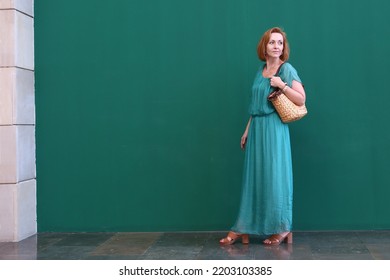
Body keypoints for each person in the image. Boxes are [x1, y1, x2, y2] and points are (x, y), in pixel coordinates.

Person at [220, 27, 306, 246]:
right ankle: (244, 227)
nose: (276, 46)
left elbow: (301, 99)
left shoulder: (286, 69)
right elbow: (255, 106)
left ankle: (282, 228)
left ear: (283, 48)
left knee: (276, 178)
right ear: (264, 47)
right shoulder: (260, 71)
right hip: (257, 127)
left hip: (275, 130)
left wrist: (282, 85)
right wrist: (247, 130)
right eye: (272, 42)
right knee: (255, 178)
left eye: (280, 43)